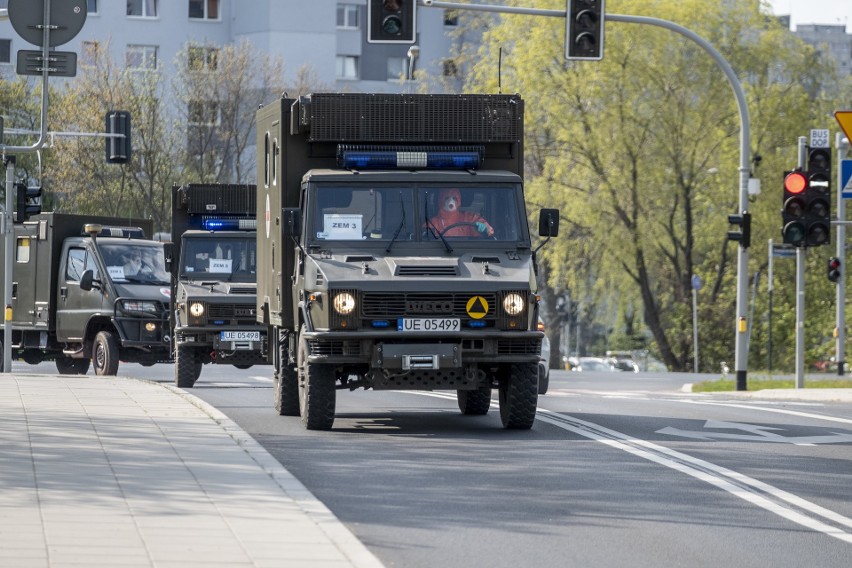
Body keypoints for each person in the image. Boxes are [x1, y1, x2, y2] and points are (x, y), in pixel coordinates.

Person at [426, 188, 494, 237]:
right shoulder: (433, 223)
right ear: (440, 200)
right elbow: (424, 240)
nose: (451, 201)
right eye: (447, 198)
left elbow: (488, 231)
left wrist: (485, 227)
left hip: (467, 251)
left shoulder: (469, 218)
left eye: (454, 198)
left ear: (459, 200)